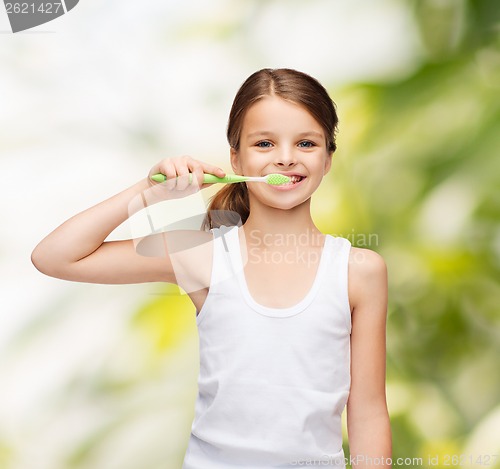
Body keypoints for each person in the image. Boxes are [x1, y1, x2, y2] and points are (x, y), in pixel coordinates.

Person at [31, 68, 391, 468]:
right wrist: (147, 192)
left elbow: (369, 410)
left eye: (306, 142)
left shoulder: (359, 271)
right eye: (265, 143)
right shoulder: (201, 254)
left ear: (328, 159)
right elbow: (55, 256)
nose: (286, 157)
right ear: (236, 157)